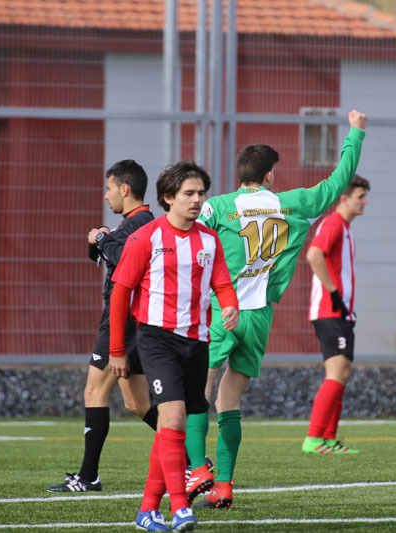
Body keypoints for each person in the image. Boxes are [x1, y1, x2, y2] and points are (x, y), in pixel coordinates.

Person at [185, 109, 367, 509]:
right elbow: (338, 182)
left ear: (240, 174)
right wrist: (355, 133)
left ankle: (197, 469)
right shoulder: (291, 204)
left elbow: (186, 228)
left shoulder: (217, 207)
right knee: (229, 402)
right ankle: (224, 487)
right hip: (260, 316)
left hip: (223, 310)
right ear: (270, 175)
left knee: (198, 393)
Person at [108, 161, 239, 532]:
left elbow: (222, 283)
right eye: (188, 193)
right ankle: (181, 508)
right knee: (175, 417)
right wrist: (117, 350)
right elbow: (120, 293)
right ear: (168, 197)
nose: (197, 200)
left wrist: (230, 305)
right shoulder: (145, 238)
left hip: (197, 342)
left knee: (171, 425)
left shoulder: (209, 240)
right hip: (157, 340)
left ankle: (147, 511)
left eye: (201, 193)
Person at [47, 159, 156, 493]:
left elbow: (124, 259)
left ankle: (88, 476)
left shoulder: (141, 222)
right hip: (131, 320)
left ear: (125, 188)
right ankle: (194, 459)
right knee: (137, 404)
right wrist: (100, 241)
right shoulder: (132, 223)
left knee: (94, 392)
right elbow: (104, 256)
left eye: (109, 189)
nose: (106, 196)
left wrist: (102, 238)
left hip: (122, 321)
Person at [302, 174, 370, 455]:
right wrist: (332, 292)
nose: (365, 202)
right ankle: (313, 438)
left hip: (341, 314)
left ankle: (328, 439)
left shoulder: (345, 227)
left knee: (342, 374)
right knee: (336, 373)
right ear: (344, 199)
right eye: (360, 197)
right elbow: (313, 255)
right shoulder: (332, 223)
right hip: (329, 311)